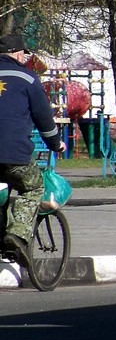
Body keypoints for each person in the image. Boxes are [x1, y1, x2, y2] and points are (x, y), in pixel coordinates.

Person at [0, 34, 64, 265]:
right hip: (14, 155)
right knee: (32, 188)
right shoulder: (27, 78)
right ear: (18, 54)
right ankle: (16, 235)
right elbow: (43, 118)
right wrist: (56, 144)